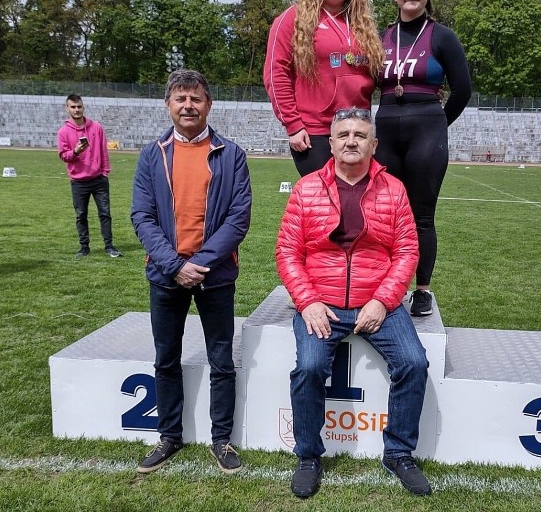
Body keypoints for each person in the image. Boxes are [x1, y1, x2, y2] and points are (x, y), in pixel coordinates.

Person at [276, 107, 431, 498]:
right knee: (309, 367)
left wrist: (382, 301)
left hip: (377, 300)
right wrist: (307, 301)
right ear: (330, 143)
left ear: (373, 144)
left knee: (414, 362)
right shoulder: (306, 189)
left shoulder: (393, 189)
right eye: (343, 134)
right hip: (321, 302)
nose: (351, 141)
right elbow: (287, 253)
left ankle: (398, 453)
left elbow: (408, 251)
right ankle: (309, 456)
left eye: (360, 135)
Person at [131, 69, 252, 475]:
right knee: (166, 359)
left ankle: (222, 440)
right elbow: (142, 216)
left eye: (195, 98)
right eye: (180, 98)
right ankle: (169, 435)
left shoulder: (231, 154)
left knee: (222, 359)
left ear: (208, 104)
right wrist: (175, 265)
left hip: (215, 276)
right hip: (166, 276)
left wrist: (200, 264)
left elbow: (238, 219)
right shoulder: (152, 154)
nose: (188, 105)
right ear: (168, 105)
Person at [375, 0, 472, 317]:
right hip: (385, 128)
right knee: (385, 214)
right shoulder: (381, 37)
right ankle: (387, 284)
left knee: (422, 216)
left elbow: (463, 90)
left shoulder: (442, 36)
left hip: (427, 129)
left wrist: (439, 124)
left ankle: (422, 289)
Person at [264, 0, 384, 176]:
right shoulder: (292, 18)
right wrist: (293, 124)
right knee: (324, 206)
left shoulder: (363, 24)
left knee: (355, 206)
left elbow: (377, 76)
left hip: (357, 130)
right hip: (315, 132)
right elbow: (275, 73)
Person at [57, 94, 121, 258]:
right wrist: (76, 151)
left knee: (105, 214)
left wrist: (105, 172)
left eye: (79, 106)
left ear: (83, 107)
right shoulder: (64, 132)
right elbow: (64, 156)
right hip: (78, 182)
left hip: (99, 179)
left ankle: (109, 246)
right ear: (67, 108)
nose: (76, 110)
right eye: (73, 107)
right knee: (81, 215)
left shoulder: (96, 127)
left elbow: (104, 152)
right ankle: (84, 247)